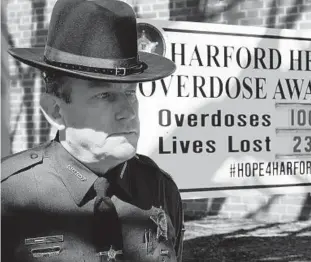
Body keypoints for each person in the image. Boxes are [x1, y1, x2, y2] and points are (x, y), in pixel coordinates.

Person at [1, 0, 184, 261]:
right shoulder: (9, 195)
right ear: (55, 110)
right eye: (105, 95)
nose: (128, 112)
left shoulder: (160, 190)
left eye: (131, 93)